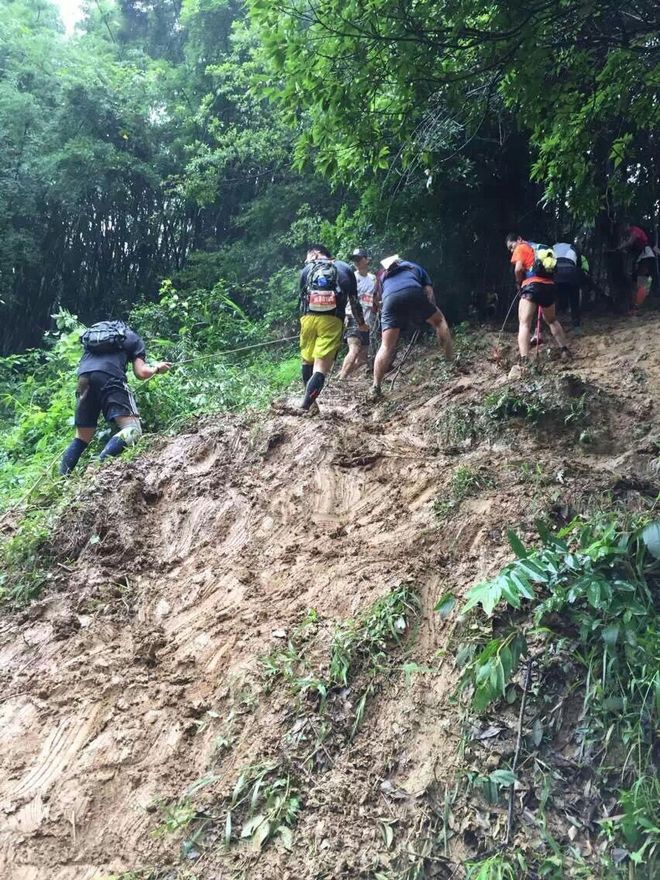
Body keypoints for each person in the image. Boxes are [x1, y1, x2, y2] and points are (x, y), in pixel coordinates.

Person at [59, 320, 171, 475]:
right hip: (110, 376)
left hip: (83, 379)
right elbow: (141, 373)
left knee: (81, 437)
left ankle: (61, 481)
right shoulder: (132, 338)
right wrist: (158, 368)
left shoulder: (95, 338)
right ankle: (98, 465)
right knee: (133, 429)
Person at [370, 255, 452, 399]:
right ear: (399, 261)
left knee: (386, 346)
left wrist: (385, 312)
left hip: (390, 300)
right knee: (440, 322)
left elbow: (376, 298)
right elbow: (429, 292)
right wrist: (429, 313)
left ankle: (375, 387)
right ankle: (449, 361)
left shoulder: (383, 276)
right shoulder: (414, 267)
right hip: (413, 291)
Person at [298, 245, 367, 412]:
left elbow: (301, 300)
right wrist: (361, 324)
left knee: (307, 361)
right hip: (332, 319)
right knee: (320, 368)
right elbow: (354, 301)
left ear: (315, 253)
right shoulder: (344, 267)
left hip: (307, 318)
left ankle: (310, 403)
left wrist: (302, 322)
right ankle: (306, 405)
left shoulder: (307, 269)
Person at [505, 234, 571, 364]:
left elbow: (518, 269)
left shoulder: (521, 247)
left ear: (518, 239)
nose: (512, 250)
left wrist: (519, 283)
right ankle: (565, 350)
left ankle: (524, 360)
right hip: (549, 286)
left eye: (511, 247)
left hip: (532, 286)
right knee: (552, 320)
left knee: (524, 323)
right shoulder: (538, 249)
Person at [339, 248, 379, 379]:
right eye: (354, 259)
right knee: (354, 348)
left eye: (359, 258)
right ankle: (342, 378)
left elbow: (374, 298)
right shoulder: (352, 277)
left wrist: (381, 309)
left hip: (366, 321)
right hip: (352, 316)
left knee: (362, 358)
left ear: (367, 260)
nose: (356, 262)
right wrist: (344, 316)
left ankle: (340, 376)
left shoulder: (373, 278)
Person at [553, 240, 582, 332]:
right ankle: (576, 325)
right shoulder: (573, 247)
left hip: (556, 274)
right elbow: (579, 264)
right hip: (571, 273)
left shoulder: (553, 247)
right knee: (574, 299)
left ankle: (553, 324)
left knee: (552, 299)